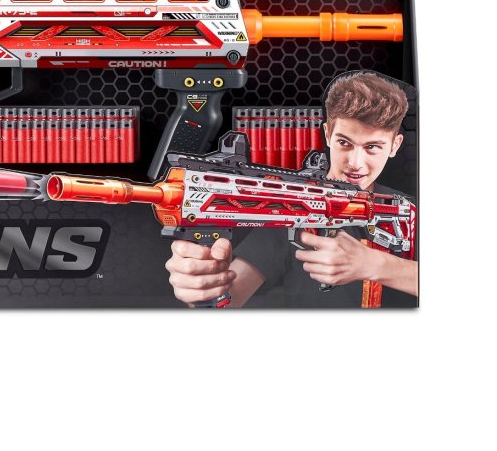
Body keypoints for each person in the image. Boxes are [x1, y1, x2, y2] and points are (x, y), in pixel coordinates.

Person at [165, 71, 418, 308]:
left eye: (372, 147)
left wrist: (377, 265)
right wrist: (203, 287)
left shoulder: (406, 209)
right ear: (327, 134)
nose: (355, 163)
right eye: (344, 142)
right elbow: (230, 297)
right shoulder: (290, 206)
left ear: (395, 146)